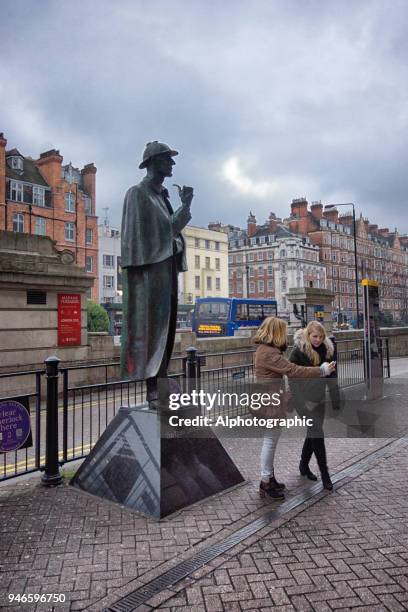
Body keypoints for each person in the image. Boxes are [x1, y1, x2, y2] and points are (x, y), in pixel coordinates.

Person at [120, 141, 193, 409]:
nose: (172, 164)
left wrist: (183, 207)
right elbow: (163, 233)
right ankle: (153, 388)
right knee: (153, 330)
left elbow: (169, 231)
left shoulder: (161, 196)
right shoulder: (138, 194)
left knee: (167, 329)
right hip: (151, 274)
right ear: (153, 162)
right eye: (167, 159)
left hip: (167, 270)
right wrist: (185, 208)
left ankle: (161, 383)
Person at [254, 317, 336, 500]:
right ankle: (265, 482)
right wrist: (321, 371)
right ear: (275, 332)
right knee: (269, 442)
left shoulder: (267, 350)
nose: (285, 335)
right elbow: (293, 370)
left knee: (272, 441)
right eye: (282, 331)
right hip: (270, 401)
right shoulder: (269, 353)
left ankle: (271, 477)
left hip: (271, 398)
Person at [289, 321, 341, 491]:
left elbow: (332, 376)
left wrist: (335, 398)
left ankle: (303, 466)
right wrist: (299, 403)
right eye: (314, 336)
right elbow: (293, 381)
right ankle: (325, 474)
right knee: (317, 433)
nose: (318, 340)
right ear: (308, 335)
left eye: (321, 336)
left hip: (319, 399)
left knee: (313, 432)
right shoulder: (298, 351)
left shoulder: (329, 350)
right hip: (304, 400)